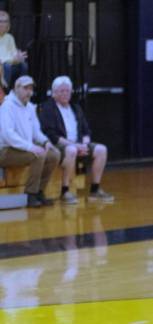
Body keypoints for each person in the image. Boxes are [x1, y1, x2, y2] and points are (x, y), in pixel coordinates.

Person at [38, 76, 114, 204]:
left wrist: (84, 144)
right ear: (54, 93)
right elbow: (51, 134)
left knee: (101, 149)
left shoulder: (76, 108)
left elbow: (86, 130)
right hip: (60, 145)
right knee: (71, 150)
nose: (65, 93)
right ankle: (65, 190)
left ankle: (95, 189)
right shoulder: (48, 108)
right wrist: (75, 146)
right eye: (61, 91)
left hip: (78, 144)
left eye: (67, 90)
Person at [0, 75, 59, 208]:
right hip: (4, 150)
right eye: (25, 88)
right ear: (16, 89)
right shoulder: (7, 106)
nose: (29, 92)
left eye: (31, 88)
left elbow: (36, 131)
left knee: (54, 154)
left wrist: (45, 142)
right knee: (37, 155)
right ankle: (30, 195)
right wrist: (30, 147)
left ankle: (39, 191)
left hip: (22, 148)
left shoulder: (30, 107)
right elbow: (8, 134)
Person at [0, 11, 28, 89]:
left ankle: (21, 89)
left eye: (5, 21)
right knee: (6, 67)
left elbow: (13, 53)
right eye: (0, 21)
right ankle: (5, 92)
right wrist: (13, 60)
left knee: (24, 65)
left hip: (9, 63)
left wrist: (19, 56)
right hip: (2, 66)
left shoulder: (9, 37)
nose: (2, 24)